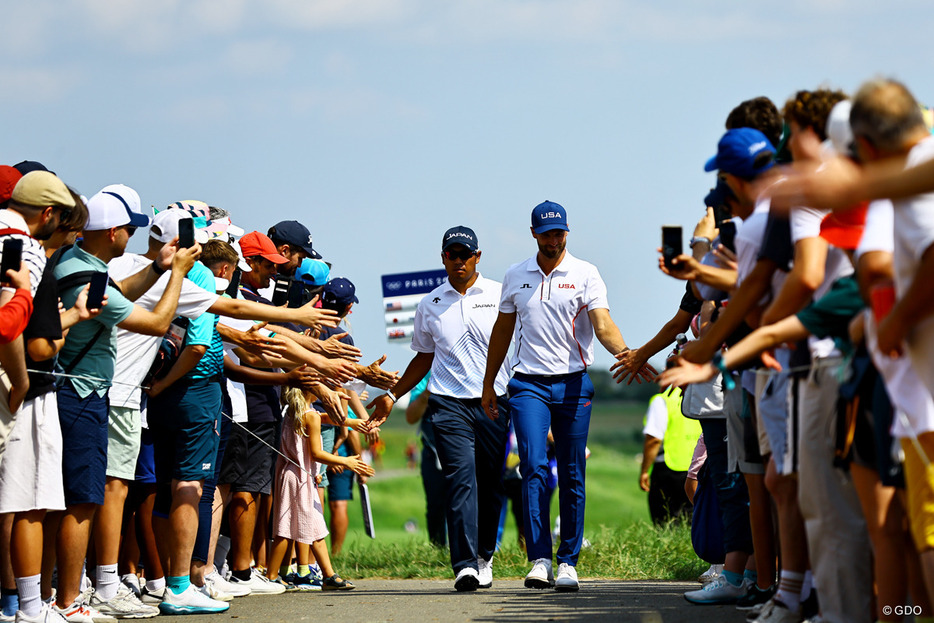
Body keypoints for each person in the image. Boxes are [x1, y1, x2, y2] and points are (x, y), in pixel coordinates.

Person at [481, 202, 651, 592]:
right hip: (527, 385)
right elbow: (502, 332)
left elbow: (603, 323)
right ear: (534, 233)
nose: (554, 240)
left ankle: (568, 562)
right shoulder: (515, 275)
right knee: (534, 466)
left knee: (573, 471)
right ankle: (540, 558)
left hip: (574, 383)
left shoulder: (585, 273)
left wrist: (626, 353)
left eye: (559, 233)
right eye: (547, 233)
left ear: (567, 232)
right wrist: (490, 383)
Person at [52, 187, 197, 620]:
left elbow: (120, 294)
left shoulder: (79, 261)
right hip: (83, 392)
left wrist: (158, 266)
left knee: (76, 498)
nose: (134, 235)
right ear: (113, 231)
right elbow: (154, 322)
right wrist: (176, 275)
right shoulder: (82, 270)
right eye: (130, 228)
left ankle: (56, 595)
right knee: (81, 500)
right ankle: (71, 600)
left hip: (83, 390)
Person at [369, 226, 511, 591]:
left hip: (494, 400)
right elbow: (424, 357)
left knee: (491, 482)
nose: (459, 261)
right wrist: (392, 395)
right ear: (443, 257)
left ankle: (484, 556)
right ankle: (464, 564)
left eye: (466, 254)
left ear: (478, 257)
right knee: (460, 480)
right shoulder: (431, 303)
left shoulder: (499, 294)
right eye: (452, 254)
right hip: (447, 404)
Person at [639, 387, 700, 525]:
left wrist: (644, 471)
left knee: (665, 522)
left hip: (669, 468)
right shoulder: (700, 395)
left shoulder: (663, 400)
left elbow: (653, 439)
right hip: (698, 468)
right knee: (693, 520)